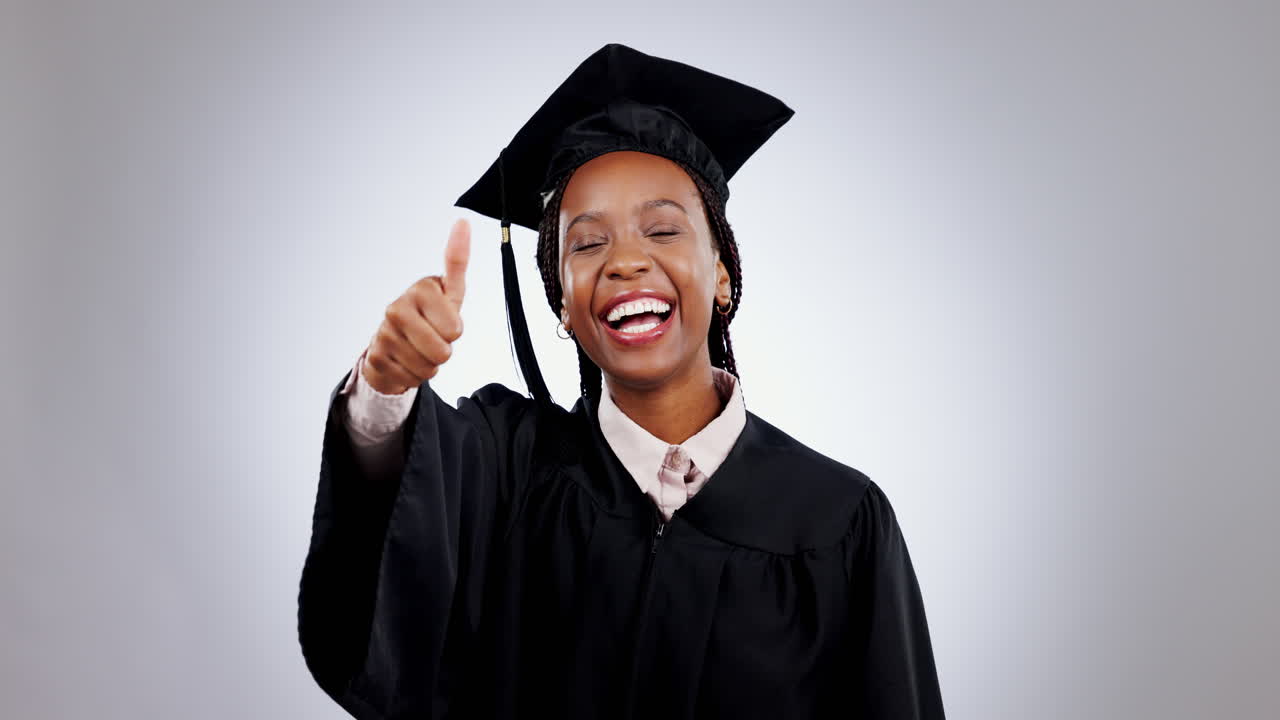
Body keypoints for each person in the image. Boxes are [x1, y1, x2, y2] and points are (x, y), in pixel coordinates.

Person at [297, 43, 945, 719]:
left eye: (662, 230)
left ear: (721, 271)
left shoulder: (838, 520)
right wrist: (385, 385)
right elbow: (393, 578)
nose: (627, 262)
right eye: (586, 243)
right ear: (562, 301)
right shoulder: (508, 470)